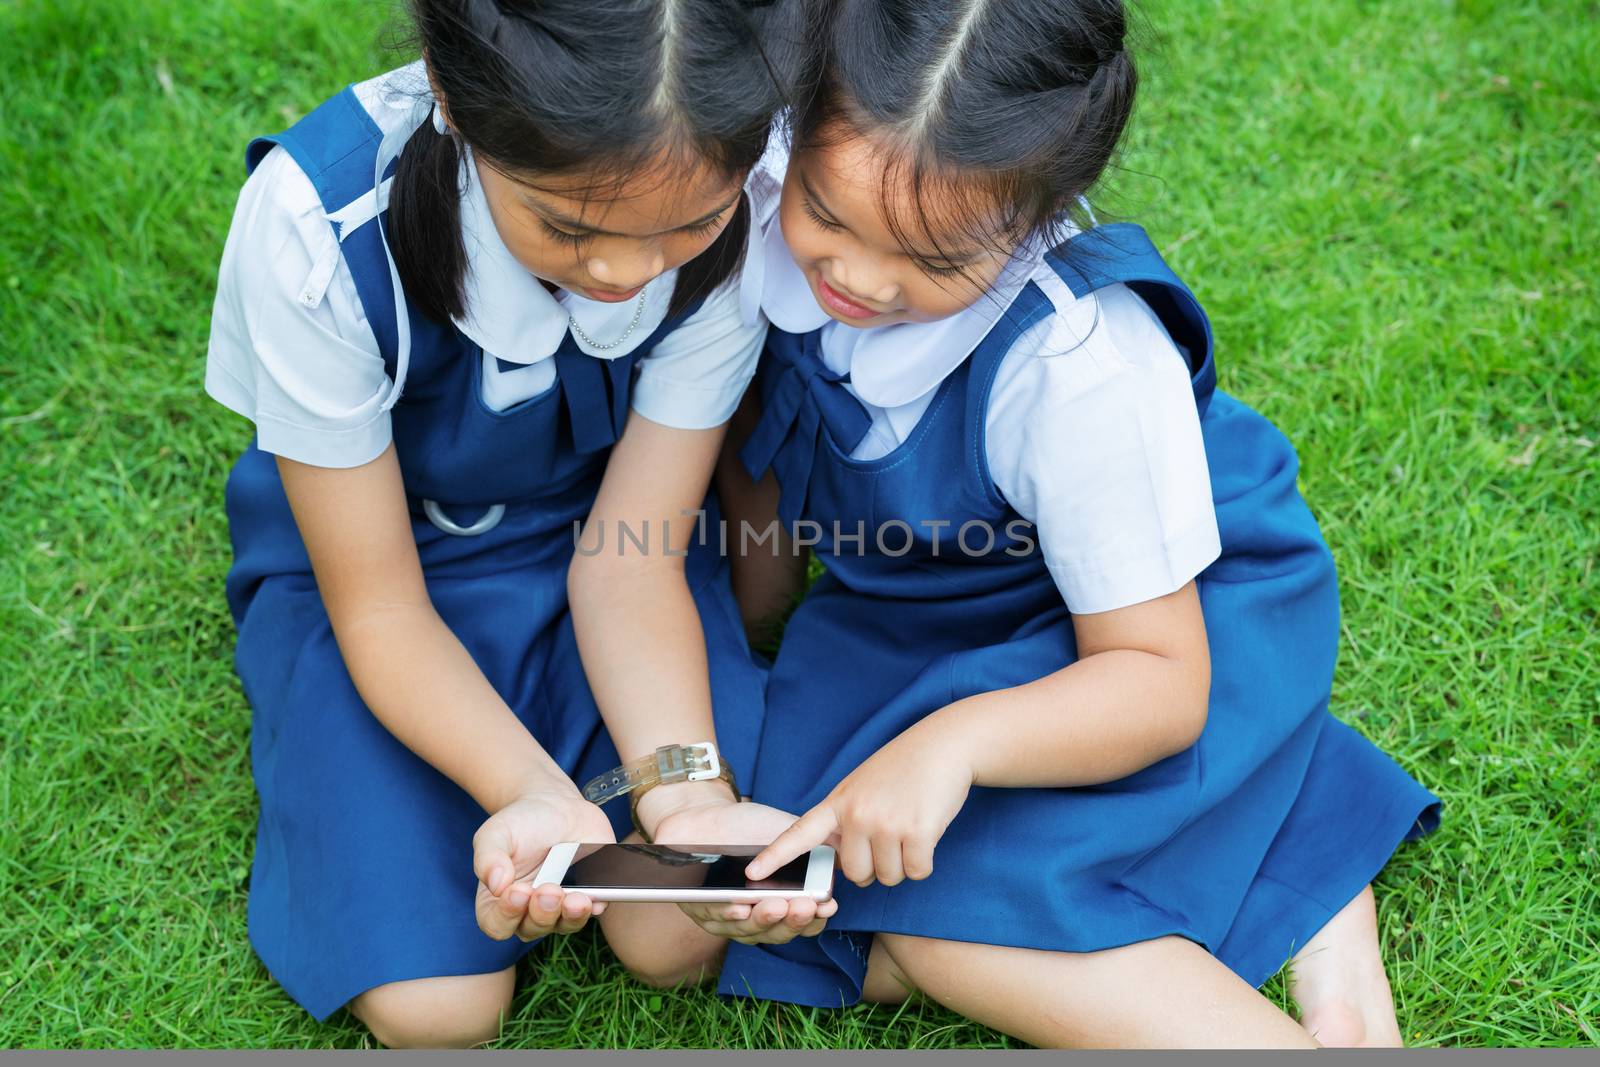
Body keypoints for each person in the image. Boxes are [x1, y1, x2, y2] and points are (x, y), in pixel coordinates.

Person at [615, 0, 1441, 1048]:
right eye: (826, 213)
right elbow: (761, 448)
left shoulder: (1079, 366)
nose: (858, 278)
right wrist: (762, 636)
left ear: (1038, 210)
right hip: (933, 616)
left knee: (945, 929)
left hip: (1154, 634)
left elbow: (1156, 675)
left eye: (936, 256)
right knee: (673, 919)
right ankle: (1272, 845)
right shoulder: (750, 196)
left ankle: (1281, 864)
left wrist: (950, 744)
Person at [205, 0, 806, 1046]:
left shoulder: (744, 201)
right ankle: (555, 804)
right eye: (569, 225)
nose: (627, 271)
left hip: (603, 543)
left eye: (686, 226)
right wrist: (527, 789)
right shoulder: (316, 226)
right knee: (437, 1007)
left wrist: (683, 803)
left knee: (674, 935)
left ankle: (603, 809)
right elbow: (381, 606)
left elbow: (631, 562)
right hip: (386, 569)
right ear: (450, 92)